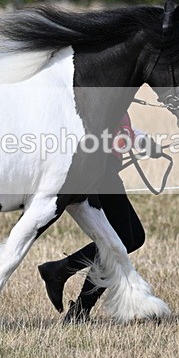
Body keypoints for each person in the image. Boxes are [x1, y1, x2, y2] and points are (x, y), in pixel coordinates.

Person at [37, 113, 162, 323]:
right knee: (125, 238)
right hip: (100, 172)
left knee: (132, 237)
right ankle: (67, 282)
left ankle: (67, 282)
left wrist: (144, 142)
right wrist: (139, 142)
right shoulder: (104, 96)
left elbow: (122, 131)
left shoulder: (119, 102)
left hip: (107, 172)